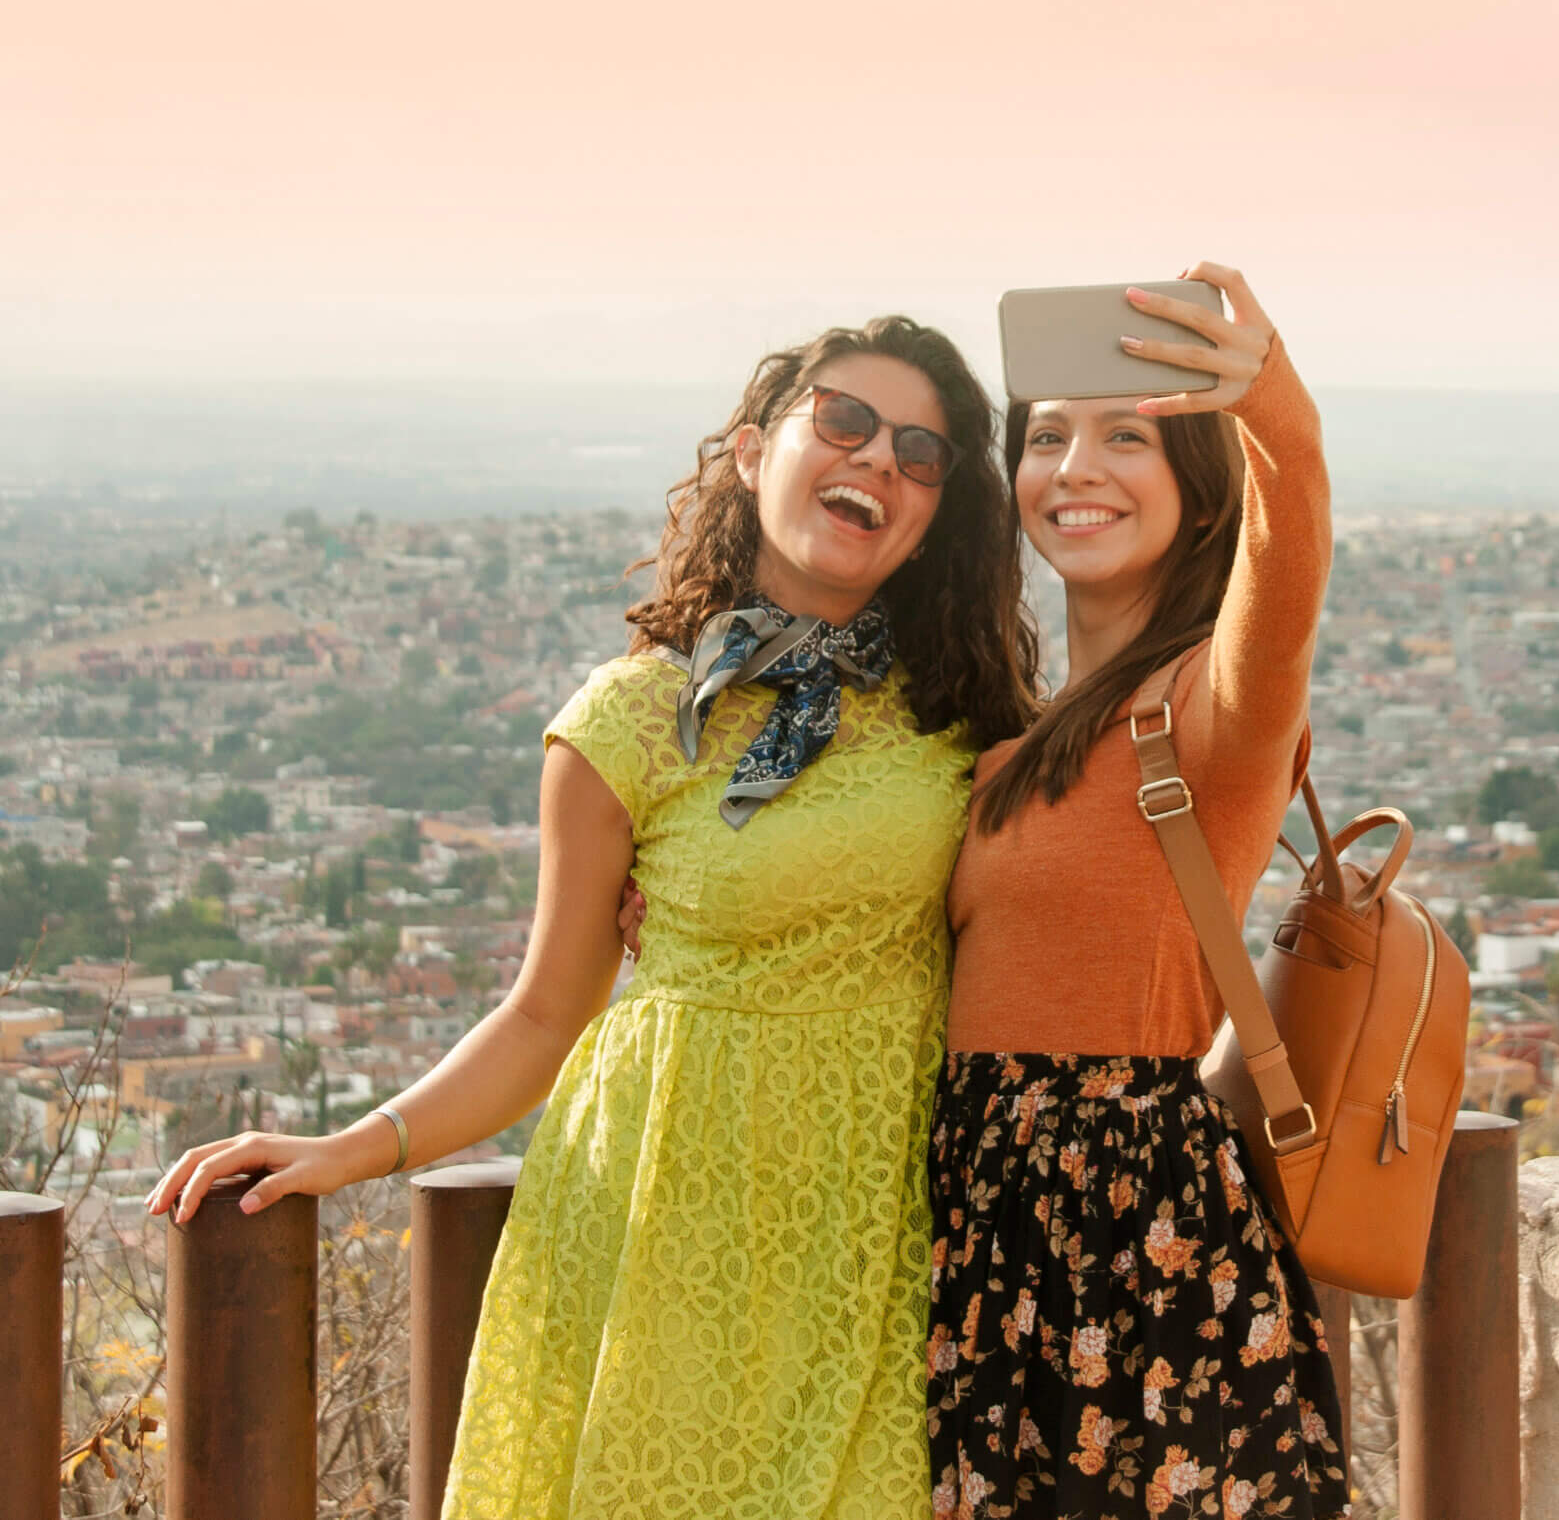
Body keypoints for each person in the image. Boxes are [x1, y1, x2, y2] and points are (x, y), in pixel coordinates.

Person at [148, 316, 1041, 1520]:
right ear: (747, 452)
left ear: (937, 510)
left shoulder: (970, 716)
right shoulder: (629, 720)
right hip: (660, 1229)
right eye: (843, 420)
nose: (880, 457)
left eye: (922, 452)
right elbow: (544, 1011)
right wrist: (346, 1148)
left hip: (876, 1234)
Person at [931, 263, 1348, 1518]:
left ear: (1200, 488)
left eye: (1129, 435)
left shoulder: (1215, 706)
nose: (1076, 467)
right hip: (988, 1238)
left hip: (1139, 1234)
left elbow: (1291, 559)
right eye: (1046, 434)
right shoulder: (1014, 737)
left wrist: (1271, 405)